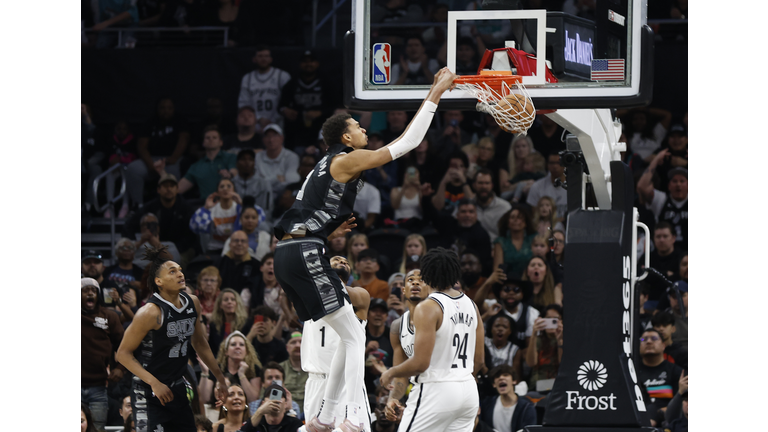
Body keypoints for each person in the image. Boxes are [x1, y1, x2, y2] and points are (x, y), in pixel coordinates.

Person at [273, 68, 457, 432]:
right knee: (356, 335)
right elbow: (406, 144)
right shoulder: (346, 158)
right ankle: (338, 415)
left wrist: (327, 227)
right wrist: (435, 93)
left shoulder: (323, 165)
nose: (364, 131)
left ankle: (325, 415)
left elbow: (305, 208)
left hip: (288, 252)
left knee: (348, 335)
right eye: (358, 126)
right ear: (345, 135)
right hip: (306, 252)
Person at [115, 245, 228, 432]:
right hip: (148, 390)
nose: (180, 274)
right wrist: (154, 383)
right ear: (158, 281)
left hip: (177, 386)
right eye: (172, 271)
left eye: (180, 270)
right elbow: (123, 354)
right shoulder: (150, 312)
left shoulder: (193, 302)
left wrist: (220, 378)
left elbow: (199, 343)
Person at [380, 248, 484, 432]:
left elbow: (420, 363)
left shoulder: (428, 306)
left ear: (427, 273)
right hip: (468, 390)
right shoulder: (471, 304)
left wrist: (391, 372)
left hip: (436, 390)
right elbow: (479, 360)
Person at [302, 257, 373, 430]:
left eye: (346, 262)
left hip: (347, 386)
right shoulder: (310, 294)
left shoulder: (359, 295)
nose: (343, 262)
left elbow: (334, 290)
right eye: (336, 260)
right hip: (315, 382)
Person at [122, 173, 200, 266]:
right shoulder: (150, 207)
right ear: (158, 189)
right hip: (154, 244)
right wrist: (135, 242)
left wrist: (174, 248)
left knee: (176, 262)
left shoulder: (186, 209)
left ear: (177, 189)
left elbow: (192, 235)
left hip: (181, 248)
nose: (169, 189)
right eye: (165, 186)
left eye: (172, 186)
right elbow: (128, 225)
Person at [383, 269, 430, 424]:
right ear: (403, 290)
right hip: (419, 390)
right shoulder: (397, 326)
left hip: (444, 387)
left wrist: (390, 372)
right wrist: (393, 399)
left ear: (430, 287)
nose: (415, 282)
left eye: (421, 280)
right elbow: (401, 374)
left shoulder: (441, 318)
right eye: (410, 280)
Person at [126, 97, 189, 207]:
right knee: (133, 169)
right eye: (162, 108)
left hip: (172, 160)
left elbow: (184, 139)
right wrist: (151, 165)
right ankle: (138, 206)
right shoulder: (150, 122)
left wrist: (173, 158)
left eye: (169, 108)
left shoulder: (180, 120)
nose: (166, 111)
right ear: (157, 109)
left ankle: (172, 206)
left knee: (174, 173)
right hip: (152, 159)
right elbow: (141, 146)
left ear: (174, 109)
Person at [81, 277, 126, 431]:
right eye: (85, 290)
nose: (89, 294)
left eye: (93, 290)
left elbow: (125, 345)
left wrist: (120, 367)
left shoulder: (109, 316)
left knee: (97, 429)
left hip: (99, 386)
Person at [279, 49, 335, 150]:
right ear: (300, 64)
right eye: (305, 61)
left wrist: (320, 112)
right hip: (297, 131)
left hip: (321, 129)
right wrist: (285, 110)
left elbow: (335, 105)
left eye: (311, 61)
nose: (308, 64)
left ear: (317, 63)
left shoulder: (326, 82)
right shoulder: (292, 83)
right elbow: (281, 105)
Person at [637, 155, 688, 251]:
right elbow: (641, 187)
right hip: (665, 252)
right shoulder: (662, 199)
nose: (678, 184)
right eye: (674, 181)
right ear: (669, 186)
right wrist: (655, 161)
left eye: (682, 181)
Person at [200, 331, 263, 405]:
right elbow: (205, 398)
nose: (238, 347)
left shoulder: (254, 369)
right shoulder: (217, 368)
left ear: (246, 351)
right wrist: (205, 372)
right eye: (233, 344)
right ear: (226, 351)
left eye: (241, 345)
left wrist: (241, 374)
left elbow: (253, 399)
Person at [175, 126, 238, 200]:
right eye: (207, 138)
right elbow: (177, 190)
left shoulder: (230, 157)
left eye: (214, 137)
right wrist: (162, 172)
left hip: (229, 203)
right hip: (207, 206)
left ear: (221, 142)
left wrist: (229, 174)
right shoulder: (196, 167)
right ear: (203, 143)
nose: (211, 139)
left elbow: (234, 171)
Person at [238, 46, 292, 132]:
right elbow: (243, 104)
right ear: (254, 59)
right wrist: (259, 118)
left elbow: (287, 103)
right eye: (260, 56)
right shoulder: (247, 78)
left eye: (266, 56)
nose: (263, 59)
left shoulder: (282, 76)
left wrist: (273, 119)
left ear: (271, 59)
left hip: (278, 123)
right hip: (255, 124)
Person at [190, 178, 243, 255]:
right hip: (215, 249)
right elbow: (194, 227)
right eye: (222, 186)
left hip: (236, 248)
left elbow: (257, 220)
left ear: (234, 191)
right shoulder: (212, 209)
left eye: (229, 186)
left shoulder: (239, 208)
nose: (225, 188)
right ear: (217, 192)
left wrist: (242, 205)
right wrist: (206, 208)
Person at [635, 329, 683, 412]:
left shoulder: (676, 371)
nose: (649, 342)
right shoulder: (632, 371)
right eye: (643, 339)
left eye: (654, 338)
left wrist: (657, 415)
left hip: (666, 420)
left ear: (663, 346)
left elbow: (680, 403)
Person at [479, 365, 537, 431]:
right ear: (494, 384)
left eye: (505, 375)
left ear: (514, 381)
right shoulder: (486, 404)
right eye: (497, 376)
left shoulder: (526, 407)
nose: (501, 378)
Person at [525, 304, 564, 390]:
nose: (551, 322)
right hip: (538, 386)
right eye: (548, 319)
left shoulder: (567, 341)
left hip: (560, 386)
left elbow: (564, 365)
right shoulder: (537, 340)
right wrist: (534, 334)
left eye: (555, 319)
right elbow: (531, 363)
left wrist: (560, 341)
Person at [255, 124, 301, 197]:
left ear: (282, 138)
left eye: (275, 136)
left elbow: (292, 180)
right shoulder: (257, 157)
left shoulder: (292, 157)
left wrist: (265, 180)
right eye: (268, 136)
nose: (271, 140)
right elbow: (255, 182)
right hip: (261, 194)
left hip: (283, 196)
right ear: (263, 140)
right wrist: (278, 179)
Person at [493, 205, 537, 279]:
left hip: (530, 281)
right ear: (508, 222)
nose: (515, 220)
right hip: (507, 282)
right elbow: (498, 271)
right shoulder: (500, 242)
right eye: (512, 217)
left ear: (526, 222)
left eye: (519, 217)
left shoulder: (533, 239)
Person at [208, 288, 254, 358]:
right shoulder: (214, 325)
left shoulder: (247, 323)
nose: (229, 302)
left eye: (233, 299)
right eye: (226, 300)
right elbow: (212, 349)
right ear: (220, 305)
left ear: (237, 303)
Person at [232, 149, 275, 223]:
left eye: (250, 159)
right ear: (237, 163)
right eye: (243, 159)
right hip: (234, 220)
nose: (247, 162)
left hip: (259, 221)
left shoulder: (264, 183)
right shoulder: (231, 183)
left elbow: (268, 210)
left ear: (254, 163)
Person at [240, 383, 305, 432]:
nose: (275, 400)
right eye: (270, 396)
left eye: (280, 396)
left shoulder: (294, 424)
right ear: (263, 403)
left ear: (285, 404)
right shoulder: (256, 422)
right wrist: (259, 412)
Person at [473, 168, 512, 242]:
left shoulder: (505, 208)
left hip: (497, 248)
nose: (484, 186)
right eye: (480, 183)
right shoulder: (467, 206)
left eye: (487, 183)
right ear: (474, 185)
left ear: (492, 185)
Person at [218, 230, 261, 297]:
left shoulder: (256, 265)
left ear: (247, 245)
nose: (239, 244)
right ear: (230, 244)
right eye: (236, 241)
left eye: (243, 241)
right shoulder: (220, 263)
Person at [483, 314, 523, 380]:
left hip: (505, 383)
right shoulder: (484, 343)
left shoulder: (515, 350)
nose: (500, 329)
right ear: (491, 329)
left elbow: (516, 376)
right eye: (497, 326)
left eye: (505, 327)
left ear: (510, 331)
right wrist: (487, 314)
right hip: (486, 380)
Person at [279, 332, 309, 416]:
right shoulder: (278, 370)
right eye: (293, 342)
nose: (298, 345)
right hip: (285, 413)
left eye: (301, 342)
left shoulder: (315, 369)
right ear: (287, 347)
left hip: (311, 413)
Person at [389, 166, 424, 231]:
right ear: (405, 175)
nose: (412, 176)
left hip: (416, 224)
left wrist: (419, 188)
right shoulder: (395, 190)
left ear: (418, 175)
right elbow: (395, 206)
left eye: (414, 174)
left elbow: (424, 208)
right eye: (410, 173)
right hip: (399, 223)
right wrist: (404, 187)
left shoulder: (422, 191)